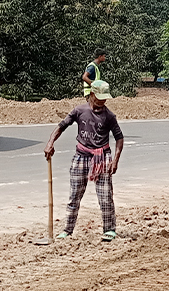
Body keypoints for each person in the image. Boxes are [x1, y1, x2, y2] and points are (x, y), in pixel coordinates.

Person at [44, 80, 124, 242]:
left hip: (102, 158)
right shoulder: (79, 110)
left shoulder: (109, 116)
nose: (103, 101)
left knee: (105, 195)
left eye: (105, 98)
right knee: (74, 195)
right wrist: (50, 143)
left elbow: (119, 138)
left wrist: (115, 160)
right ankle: (67, 229)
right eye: (100, 97)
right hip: (81, 156)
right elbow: (61, 126)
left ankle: (109, 229)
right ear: (92, 95)